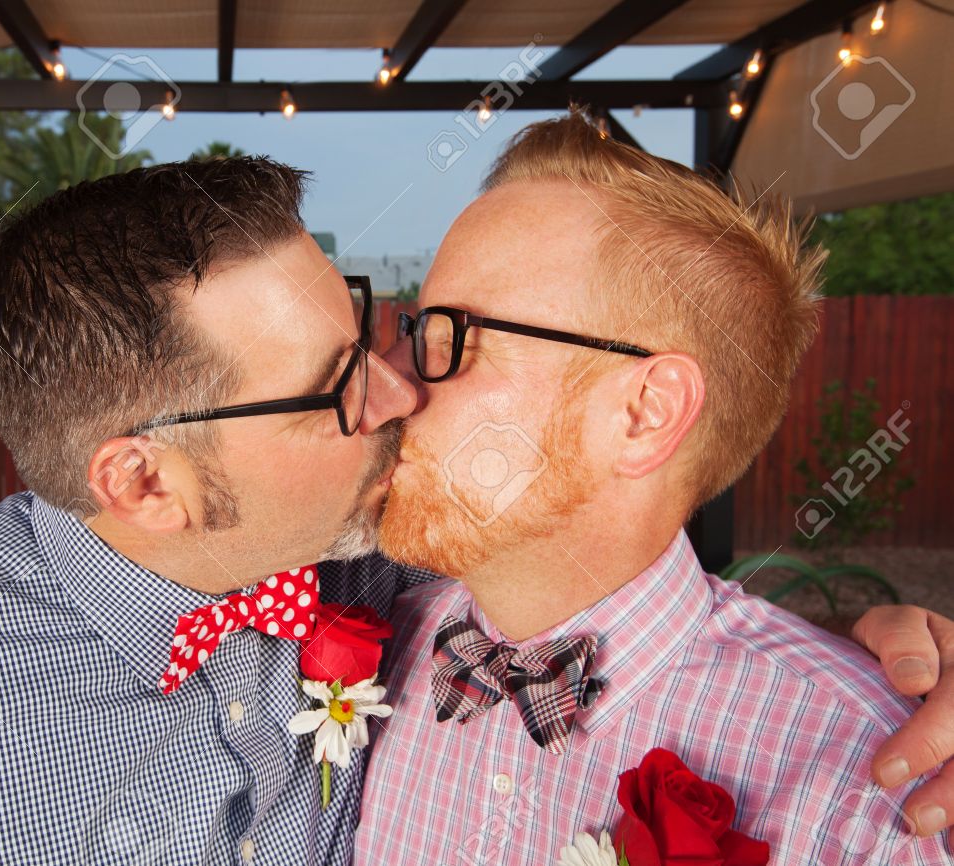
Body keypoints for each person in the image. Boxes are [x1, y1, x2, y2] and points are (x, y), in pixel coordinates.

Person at [0, 156, 954, 866]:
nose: (398, 389)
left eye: (428, 336)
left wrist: (898, 654)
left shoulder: (392, 595)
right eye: (343, 377)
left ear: (644, 410)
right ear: (142, 482)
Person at [354, 112, 952, 864]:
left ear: (646, 413)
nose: (389, 386)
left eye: (454, 341)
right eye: (415, 332)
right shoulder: (356, 637)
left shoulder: (863, 785)